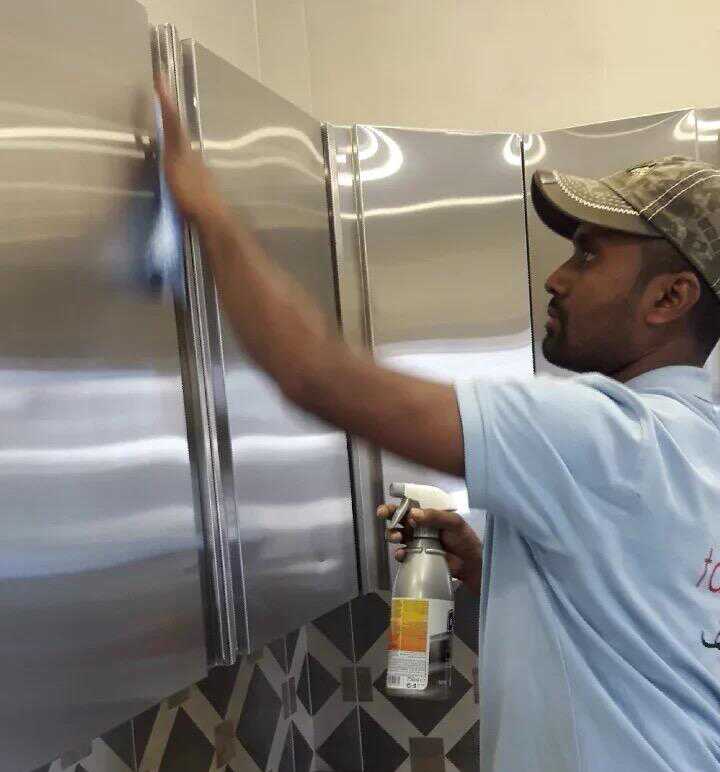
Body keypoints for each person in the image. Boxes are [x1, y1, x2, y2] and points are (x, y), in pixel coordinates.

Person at [156, 80, 720, 771]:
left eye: (591, 255)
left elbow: (315, 373)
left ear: (669, 297)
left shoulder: (600, 435)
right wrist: (491, 565)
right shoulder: (697, 443)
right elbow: (645, 622)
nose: (558, 279)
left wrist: (205, 209)